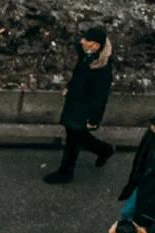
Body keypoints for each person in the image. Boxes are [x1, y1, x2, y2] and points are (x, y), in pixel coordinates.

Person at [44, 28, 114, 184]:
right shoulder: (86, 54)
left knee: (73, 140)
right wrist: (70, 86)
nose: (82, 41)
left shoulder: (103, 70)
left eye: (86, 40)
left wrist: (94, 119)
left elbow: (100, 97)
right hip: (75, 101)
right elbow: (78, 73)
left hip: (84, 108)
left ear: (95, 45)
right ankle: (105, 150)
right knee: (77, 136)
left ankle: (66, 173)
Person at [118, 116, 155, 223]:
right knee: (126, 212)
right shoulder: (151, 136)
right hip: (145, 183)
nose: (151, 128)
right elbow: (141, 158)